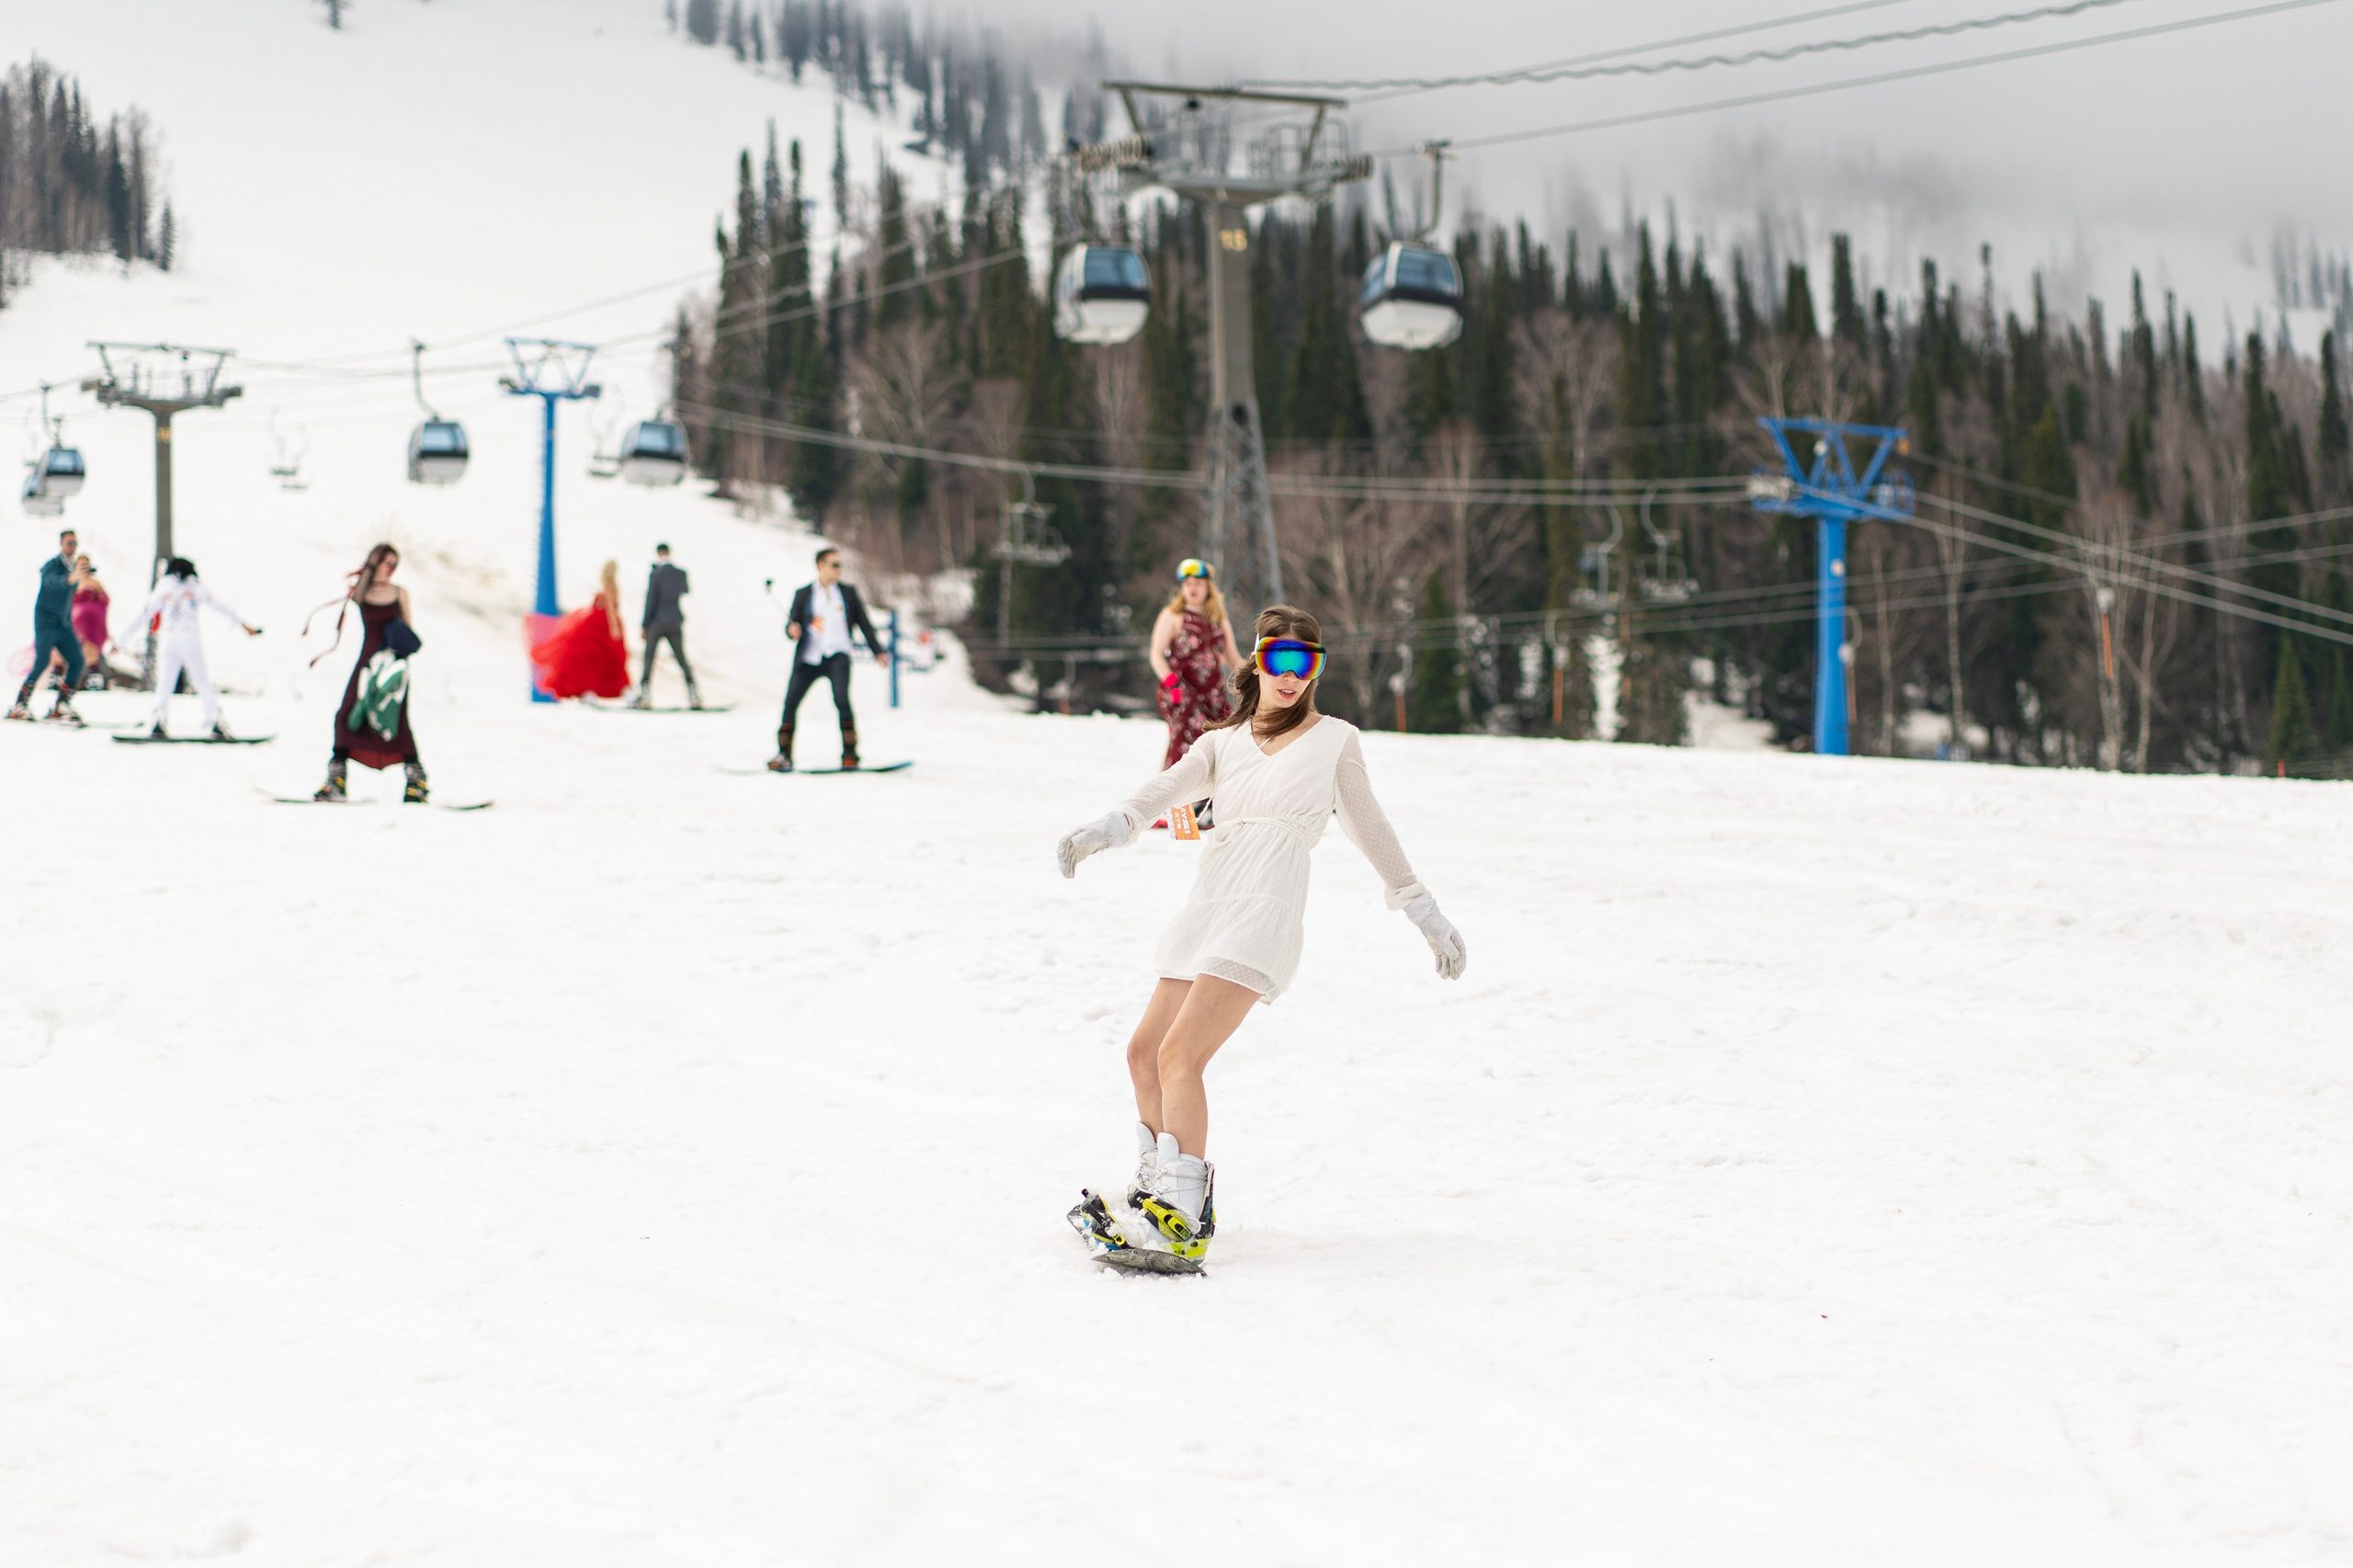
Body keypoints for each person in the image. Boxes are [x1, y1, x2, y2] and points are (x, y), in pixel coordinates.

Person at [1054, 605, 1468, 1267]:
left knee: (1180, 1056)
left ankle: (1184, 1219)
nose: (1291, 676)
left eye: (1307, 663)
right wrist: (1114, 825)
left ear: (1317, 670)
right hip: (1210, 901)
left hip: (1266, 905)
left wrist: (1421, 907)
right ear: (1257, 660)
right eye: (1279, 659)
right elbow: (1168, 790)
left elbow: (1371, 828)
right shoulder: (1224, 742)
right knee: (1143, 1052)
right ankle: (1154, 1193)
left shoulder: (1335, 739)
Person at [309, 543, 428, 803]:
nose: (391, 569)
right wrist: (368, 572)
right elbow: (356, 596)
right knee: (347, 714)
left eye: (395, 565)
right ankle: (336, 782)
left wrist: (400, 661)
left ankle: (416, 783)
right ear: (376, 562)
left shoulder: (399, 592)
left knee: (397, 721)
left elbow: (408, 631)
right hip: (367, 661)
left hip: (393, 665)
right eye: (387, 563)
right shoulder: (361, 591)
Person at [770, 545, 888, 771]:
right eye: (835, 565)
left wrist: (878, 651)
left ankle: (850, 753)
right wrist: (792, 630)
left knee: (842, 700)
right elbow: (792, 625)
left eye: (840, 565)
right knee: (790, 703)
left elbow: (864, 623)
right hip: (809, 657)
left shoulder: (847, 593)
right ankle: (784, 754)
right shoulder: (804, 594)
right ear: (821, 566)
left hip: (838, 655)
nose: (839, 569)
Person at [1146, 556, 1240, 829]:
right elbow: (1156, 655)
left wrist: (1259, 676)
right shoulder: (1173, 616)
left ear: (1208, 587)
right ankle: (1174, 812)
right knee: (1185, 747)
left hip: (1212, 695)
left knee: (1223, 746)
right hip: (1182, 694)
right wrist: (1172, 684)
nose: (1193, 588)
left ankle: (1210, 807)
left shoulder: (1218, 620)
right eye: (1188, 583)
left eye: (1198, 583)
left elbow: (1232, 657)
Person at [122, 557, 261, 739]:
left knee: (164, 683)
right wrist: (243, 624)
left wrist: (120, 642)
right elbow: (220, 606)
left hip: (169, 638)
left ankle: (158, 719)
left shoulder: (164, 587)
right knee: (201, 681)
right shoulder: (195, 587)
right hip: (190, 638)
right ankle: (215, 719)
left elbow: (144, 614)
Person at [7, 528, 85, 725]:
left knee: (76, 660)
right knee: (42, 661)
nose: (72, 547)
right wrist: (70, 579)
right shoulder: (53, 566)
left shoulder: (72, 568)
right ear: (61, 544)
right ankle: (20, 703)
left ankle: (62, 703)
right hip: (46, 621)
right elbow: (52, 582)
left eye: (75, 543)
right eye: (69, 543)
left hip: (63, 623)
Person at [527, 559, 631, 702]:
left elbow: (609, 608)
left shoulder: (607, 585)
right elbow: (611, 609)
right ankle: (603, 691)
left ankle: (596, 691)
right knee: (606, 658)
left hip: (598, 623)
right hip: (603, 624)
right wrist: (614, 627)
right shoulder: (610, 585)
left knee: (601, 659)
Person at [632, 543, 699, 709]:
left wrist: (644, 625)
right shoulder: (681, 573)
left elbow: (651, 600)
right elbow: (685, 590)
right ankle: (693, 694)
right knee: (681, 658)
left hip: (657, 621)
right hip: (675, 620)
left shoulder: (656, 574)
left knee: (649, 658)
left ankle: (645, 695)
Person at [70, 556, 111, 689]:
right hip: (75, 621)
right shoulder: (72, 582)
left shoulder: (95, 583)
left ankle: (94, 678)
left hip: (91, 622)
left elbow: (105, 600)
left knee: (90, 648)